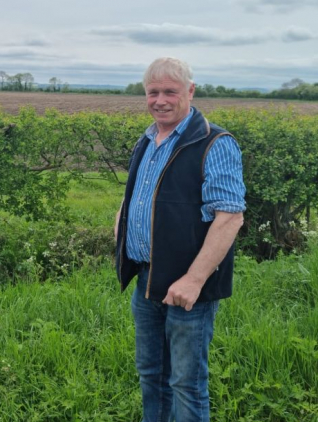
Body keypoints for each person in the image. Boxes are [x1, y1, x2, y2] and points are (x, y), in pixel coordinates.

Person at [114, 57, 245, 422]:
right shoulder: (148, 137)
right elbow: (135, 194)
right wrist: (121, 230)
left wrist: (194, 279)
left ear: (190, 91)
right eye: (152, 92)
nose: (160, 100)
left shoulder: (214, 142)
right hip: (147, 280)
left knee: (186, 384)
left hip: (189, 289)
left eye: (170, 91)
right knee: (151, 375)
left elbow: (230, 216)